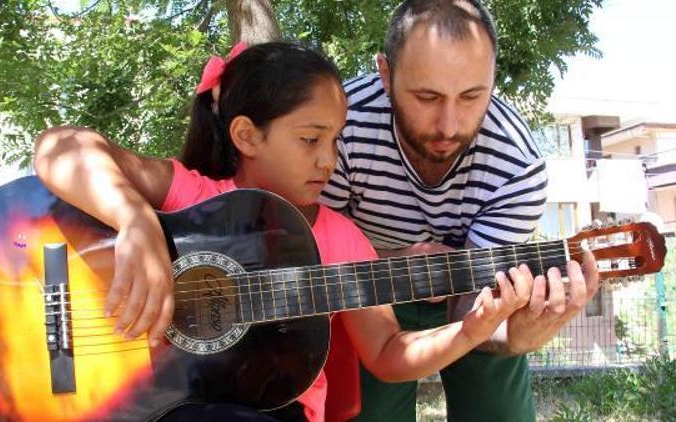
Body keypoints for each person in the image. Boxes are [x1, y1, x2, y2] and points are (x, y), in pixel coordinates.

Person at [33, 42, 539, 421]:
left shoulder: (341, 239)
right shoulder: (192, 199)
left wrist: (468, 330)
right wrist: (134, 219)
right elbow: (60, 146)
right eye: (310, 139)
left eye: (335, 140)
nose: (328, 160)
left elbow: (388, 354)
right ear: (247, 136)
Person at [319, 1, 601, 421]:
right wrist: (394, 269)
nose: (449, 126)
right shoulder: (339, 126)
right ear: (385, 74)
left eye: (472, 95)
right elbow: (315, 249)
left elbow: (476, 306)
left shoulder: (517, 163)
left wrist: (513, 335)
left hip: (475, 290)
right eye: (427, 96)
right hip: (364, 294)